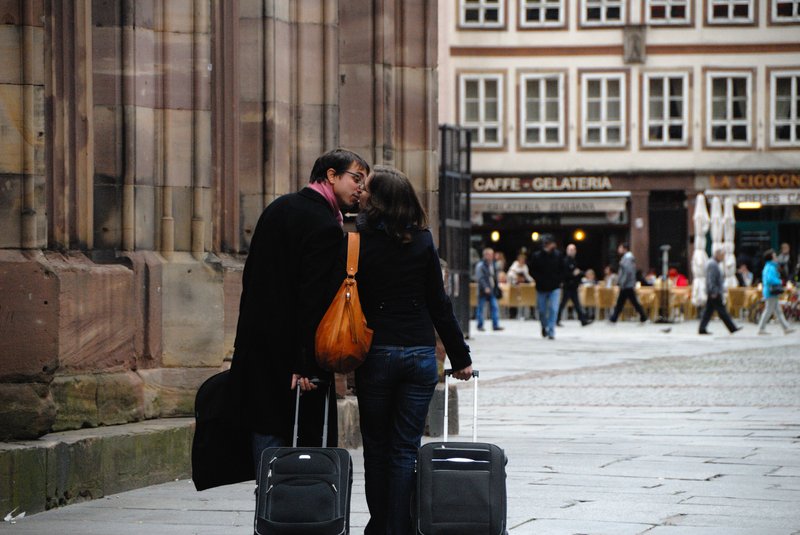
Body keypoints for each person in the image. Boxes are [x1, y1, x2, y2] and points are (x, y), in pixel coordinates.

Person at [350, 165, 473, 534]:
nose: (363, 193)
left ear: (380, 198)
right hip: (419, 355)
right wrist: (460, 357)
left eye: (368, 188)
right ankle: (398, 528)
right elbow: (440, 304)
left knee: (376, 448)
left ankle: (381, 525)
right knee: (404, 448)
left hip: (377, 354)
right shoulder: (422, 240)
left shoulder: (359, 239)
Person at [227, 148, 369, 467]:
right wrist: (305, 362)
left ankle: (269, 498)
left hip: (258, 342)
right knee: (295, 436)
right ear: (331, 175)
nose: (360, 188)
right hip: (292, 352)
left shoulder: (280, 206)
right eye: (356, 178)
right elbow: (312, 298)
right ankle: (290, 503)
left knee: (265, 425)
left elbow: (254, 278)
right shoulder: (323, 224)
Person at [698, 248, 742, 335]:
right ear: (717, 255)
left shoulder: (714, 264)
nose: (723, 257)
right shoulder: (712, 264)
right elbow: (711, 279)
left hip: (714, 291)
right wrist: (713, 291)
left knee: (709, 311)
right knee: (722, 311)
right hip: (715, 292)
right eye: (722, 255)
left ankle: (702, 328)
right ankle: (732, 328)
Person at [530, 234, 565, 339]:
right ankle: (544, 325)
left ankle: (551, 330)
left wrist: (559, 280)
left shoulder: (558, 255)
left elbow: (563, 269)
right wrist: (538, 279)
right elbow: (532, 270)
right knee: (541, 310)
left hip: (554, 287)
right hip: (541, 287)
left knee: (554, 309)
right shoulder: (537, 256)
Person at [757, 249, 795, 335]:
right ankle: (761, 328)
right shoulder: (770, 267)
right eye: (774, 256)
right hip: (771, 292)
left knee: (778, 311)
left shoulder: (769, 267)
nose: (776, 257)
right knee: (768, 311)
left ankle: (786, 328)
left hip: (770, 292)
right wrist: (779, 281)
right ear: (771, 258)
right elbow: (770, 279)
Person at [609, 242, 648, 324]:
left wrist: (622, 282)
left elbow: (627, 272)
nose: (618, 250)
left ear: (624, 249)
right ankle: (614, 317)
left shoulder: (628, 259)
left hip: (627, 284)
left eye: (620, 248)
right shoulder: (626, 258)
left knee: (631, 301)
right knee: (622, 301)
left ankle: (643, 316)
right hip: (627, 284)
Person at [557, 243, 591, 327]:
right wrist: (574, 274)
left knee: (577, 304)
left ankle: (583, 320)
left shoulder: (573, 261)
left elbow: (577, 272)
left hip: (573, 286)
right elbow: (564, 274)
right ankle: (556, 319)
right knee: (563, 304)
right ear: (567, 251)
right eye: (570, 250)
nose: (572, 252)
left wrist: (580, 273)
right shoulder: (565, 261)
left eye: (573, 250)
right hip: (567, 286)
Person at [475, 247, 504, 331]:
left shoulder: (493, 264)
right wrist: (485, 287)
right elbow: (480, 278)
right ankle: (480, 325)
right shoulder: (480, 265)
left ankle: (495, 325)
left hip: (492, 289)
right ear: (485, 255)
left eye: (492, 254)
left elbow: (494, 276)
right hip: (483, 290)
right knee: (481, 307)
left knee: (495, 307)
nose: (491, 256)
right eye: (489, 254)